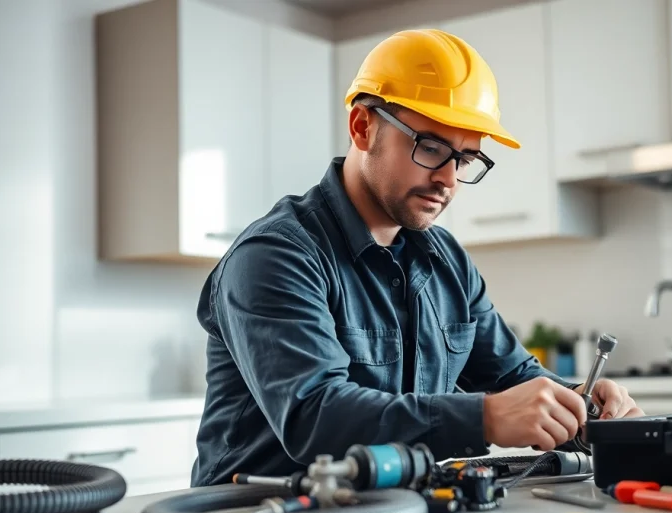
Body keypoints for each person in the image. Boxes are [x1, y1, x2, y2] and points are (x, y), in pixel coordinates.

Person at [189, 28, 643, 487]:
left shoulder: (447, 261)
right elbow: (315, 416)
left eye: (465, 160)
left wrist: (580, 404)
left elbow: (513, 377)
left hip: (393, 511)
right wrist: (485, 417)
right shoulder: (276, 255)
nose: (449, 179)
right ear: (362, 127)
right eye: (430, 148)